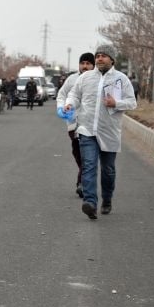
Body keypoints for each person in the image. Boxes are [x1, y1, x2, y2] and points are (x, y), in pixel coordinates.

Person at [65, 44, 137, 219]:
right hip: (87, 130)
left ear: (112, 59)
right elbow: (74, 95)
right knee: (89, 166)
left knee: (108, 170)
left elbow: (132, 102)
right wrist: (69, 104)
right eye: (98, 56)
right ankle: (90, 202)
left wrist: (116, 104)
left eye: (104, 56)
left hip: (109, 131)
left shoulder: (121, 79)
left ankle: (107, 199)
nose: (99, 59)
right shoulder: (86, 78)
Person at [56, 53, 95, 198]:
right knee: (78, 154)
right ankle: (85, 180)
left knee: (87, 156)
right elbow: (61, 95)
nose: (85, 66)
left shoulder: (99, 80)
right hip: (73, 124)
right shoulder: (72, 79)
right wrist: (62, 107)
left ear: (93, 65)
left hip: (91, 124)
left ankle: (83, 183)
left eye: (88, 63)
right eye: (82, 63)